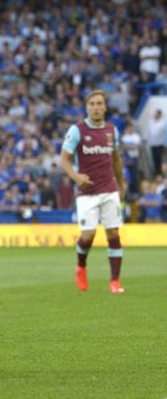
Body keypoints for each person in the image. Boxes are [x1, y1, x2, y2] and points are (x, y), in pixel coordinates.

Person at [60, 90, 126, 294]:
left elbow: (115, 159)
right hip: (86, 191)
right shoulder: (77, 130)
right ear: (86, 107)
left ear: (105, 107)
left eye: (99, 104)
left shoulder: (111, 130)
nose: (96, 107)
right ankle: (81, 266)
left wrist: (121, 183)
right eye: (92, 104)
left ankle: (115, 281)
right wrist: (76, 177)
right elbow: (64, 160)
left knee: (113, 232)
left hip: (109, 189)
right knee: (88, 235)